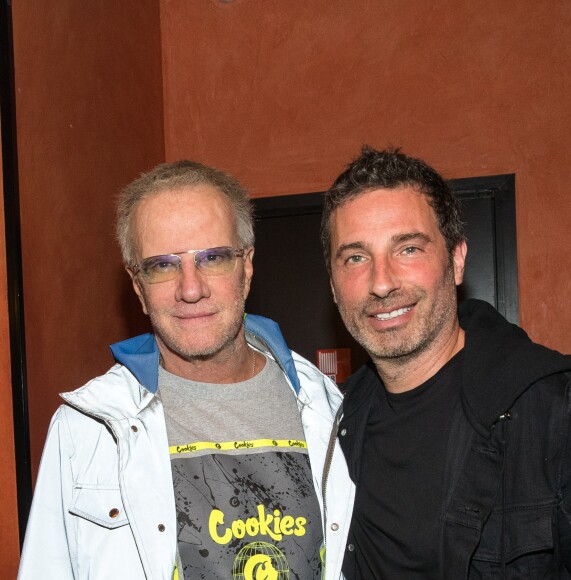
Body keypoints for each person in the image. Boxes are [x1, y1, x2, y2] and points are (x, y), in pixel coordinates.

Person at [18, 161, 353, 580]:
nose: (190, 289)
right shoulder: (86, 431)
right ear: (138, 287)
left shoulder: (332, 408)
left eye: (212, 258)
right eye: (162, 265)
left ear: (246, 267)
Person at [320, 146, 571, 578]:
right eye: (356, 257)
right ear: (332, 286)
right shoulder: (333, 420)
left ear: (456, 260)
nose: (381, 283)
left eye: (407, 249)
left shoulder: (556, 413)